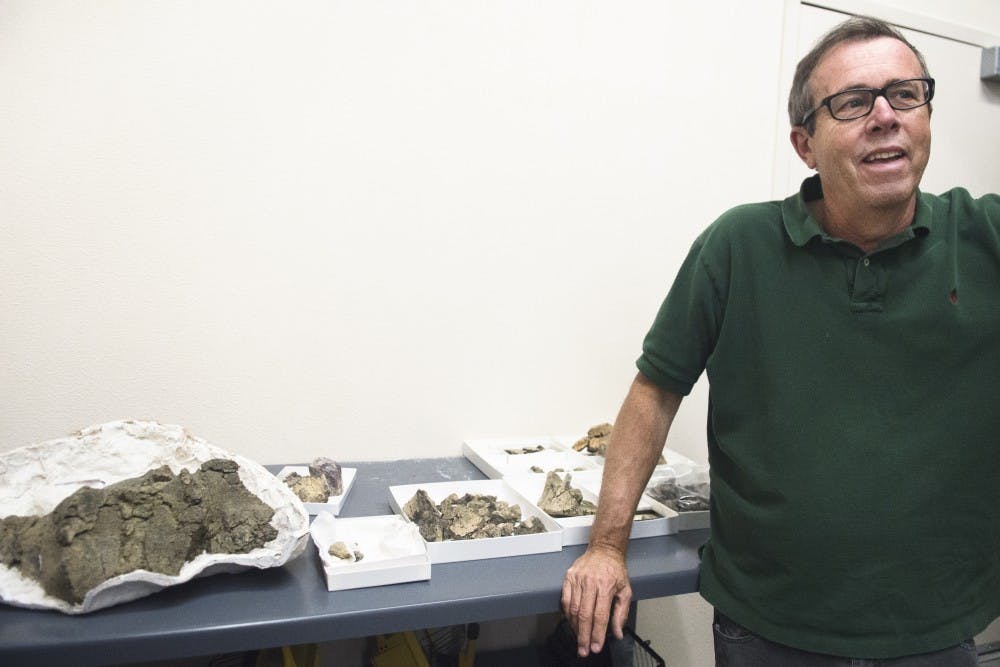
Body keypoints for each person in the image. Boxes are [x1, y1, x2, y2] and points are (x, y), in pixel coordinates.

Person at [562, 15, 1000, 666]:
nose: (885, 115)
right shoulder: (738, 247)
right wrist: (605, 545)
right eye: (853, 102)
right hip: (767, 628)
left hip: (935, 632)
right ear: (805, 144)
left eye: (906, 93)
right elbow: (654, 392)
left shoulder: (983, 236)